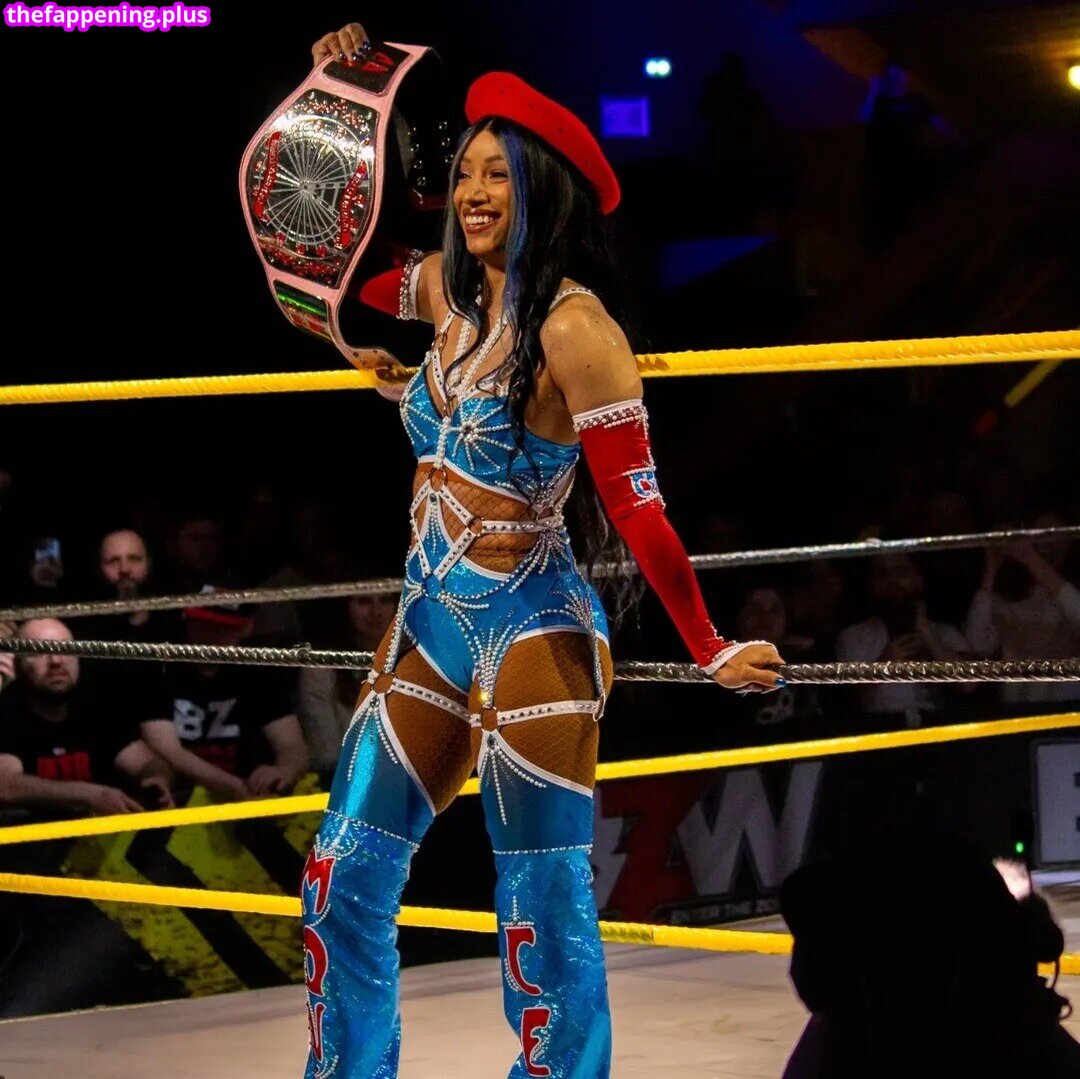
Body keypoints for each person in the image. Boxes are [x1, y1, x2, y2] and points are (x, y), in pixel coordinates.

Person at [296, 23, 785, 1079]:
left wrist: (709, 645)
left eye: (499, 175)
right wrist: (342, 101)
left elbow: (641, 509)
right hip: (427, 620)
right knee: (340, 880)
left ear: (543, 191)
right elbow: (335, 274)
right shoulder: (444, 290)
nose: (474, 192)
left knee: (540, 902)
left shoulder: (577, 330)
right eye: (465, 172)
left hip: (532, 623)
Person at [138, 589, 309, 801]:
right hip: (180, 795)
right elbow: (170, 751)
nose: (212, 636)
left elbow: (292, 745)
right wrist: (235, 787)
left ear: (245, 628)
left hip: (251, 791)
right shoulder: (160, 669)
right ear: (188, 621)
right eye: (204, 625)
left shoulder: (258, 672)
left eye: (223, 629)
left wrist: (285, 770)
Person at [0, 619, 174, 818]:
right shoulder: (7, 709)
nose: (55, 660)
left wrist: (157, 779)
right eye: (37, 651)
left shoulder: (94, 706)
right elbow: (6, 785)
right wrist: (90, 795)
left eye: (65, 649)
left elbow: (147, 762)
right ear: (15, 664)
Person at [297, 590, 396, 781]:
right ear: (346, 608)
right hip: (343, 779)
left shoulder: (415, 660)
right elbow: (327, 754)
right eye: (364, 601)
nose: (376, 612)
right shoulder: (320, 668)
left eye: (385, 600)